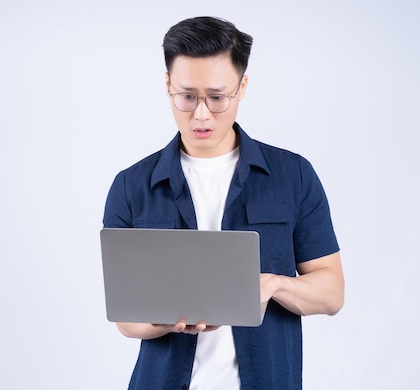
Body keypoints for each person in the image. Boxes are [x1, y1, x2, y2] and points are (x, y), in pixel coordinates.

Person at [102, 16, 345, 389]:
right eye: (187, 96)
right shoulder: (132, 186)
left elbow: (331, 293)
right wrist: (164, 322)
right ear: (167, 85)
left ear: (242, 86)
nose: (201, 114)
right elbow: (125, 319)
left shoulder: (292, 175)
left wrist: (272, 286)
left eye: (217, 97)